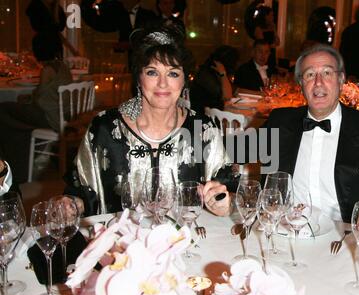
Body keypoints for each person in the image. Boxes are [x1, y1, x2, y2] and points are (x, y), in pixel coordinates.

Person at [64, 25, 237, 217]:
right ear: (139, 77)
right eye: (152, 72)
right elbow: (80, 191)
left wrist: (223, 201)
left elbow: (228, 187)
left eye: (173, 73)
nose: (163, 83)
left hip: (186, 242)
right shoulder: (104, 127)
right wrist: (72, 205)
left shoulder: (203, 129)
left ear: (184, 81)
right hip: (120, 243)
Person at [261, 44, 359, 222]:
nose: (318, 82)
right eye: (310, 75)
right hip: (286, 230)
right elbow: (234, 153)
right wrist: (218, 192)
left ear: (341, 80)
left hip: (343, 237)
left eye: (327, 73)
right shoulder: (279, 121)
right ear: (301, 84)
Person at [0, 33, 73, 183]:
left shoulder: (47, 70)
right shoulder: (63, 66)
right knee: (12, 111)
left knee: (3, 109)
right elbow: (47, 94)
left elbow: (40, 98)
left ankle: (17, 142)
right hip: (61, 115)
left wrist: (29, 99)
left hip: (48, 117)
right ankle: (22, 132)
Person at [189, 45, 239, 115]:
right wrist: (223, 74)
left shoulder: (213, 71)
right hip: (198, 118)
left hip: (207, 114)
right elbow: (227, 97)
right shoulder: (206, 74)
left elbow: (234, 90)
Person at [253, 5, 280, 72]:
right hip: (263, 55)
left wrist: (274, 30)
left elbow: (278, 42)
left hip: (271, 54)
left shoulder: (272, 27)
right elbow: (261, 45)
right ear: (265, 16)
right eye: (271, 15)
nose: (273, 17)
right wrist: (272, 46)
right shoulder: (258, 29)